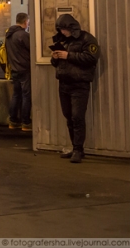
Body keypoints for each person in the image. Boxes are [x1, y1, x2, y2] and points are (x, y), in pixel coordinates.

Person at [51, 14, 100, 163]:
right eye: (60, 30)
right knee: (69, 117)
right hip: (64, 84)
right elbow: (55, 63)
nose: (63, 32)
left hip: (79, 85)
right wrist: (55, 57)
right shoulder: (62, 40)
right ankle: (75, 147)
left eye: (64, 29)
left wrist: (68, 55)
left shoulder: (87, 39)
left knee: (77, 117)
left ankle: (78, 150)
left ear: (72, 28)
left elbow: (91, 58)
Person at [5, 12, 32, 131]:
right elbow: (32, 49)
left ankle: (13, 121)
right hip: (25, 69)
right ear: (25, 22)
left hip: (14, 69)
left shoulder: (9, 35)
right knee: (26, 96)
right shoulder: (23, 35)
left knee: (16, 95)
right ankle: (26, 123)